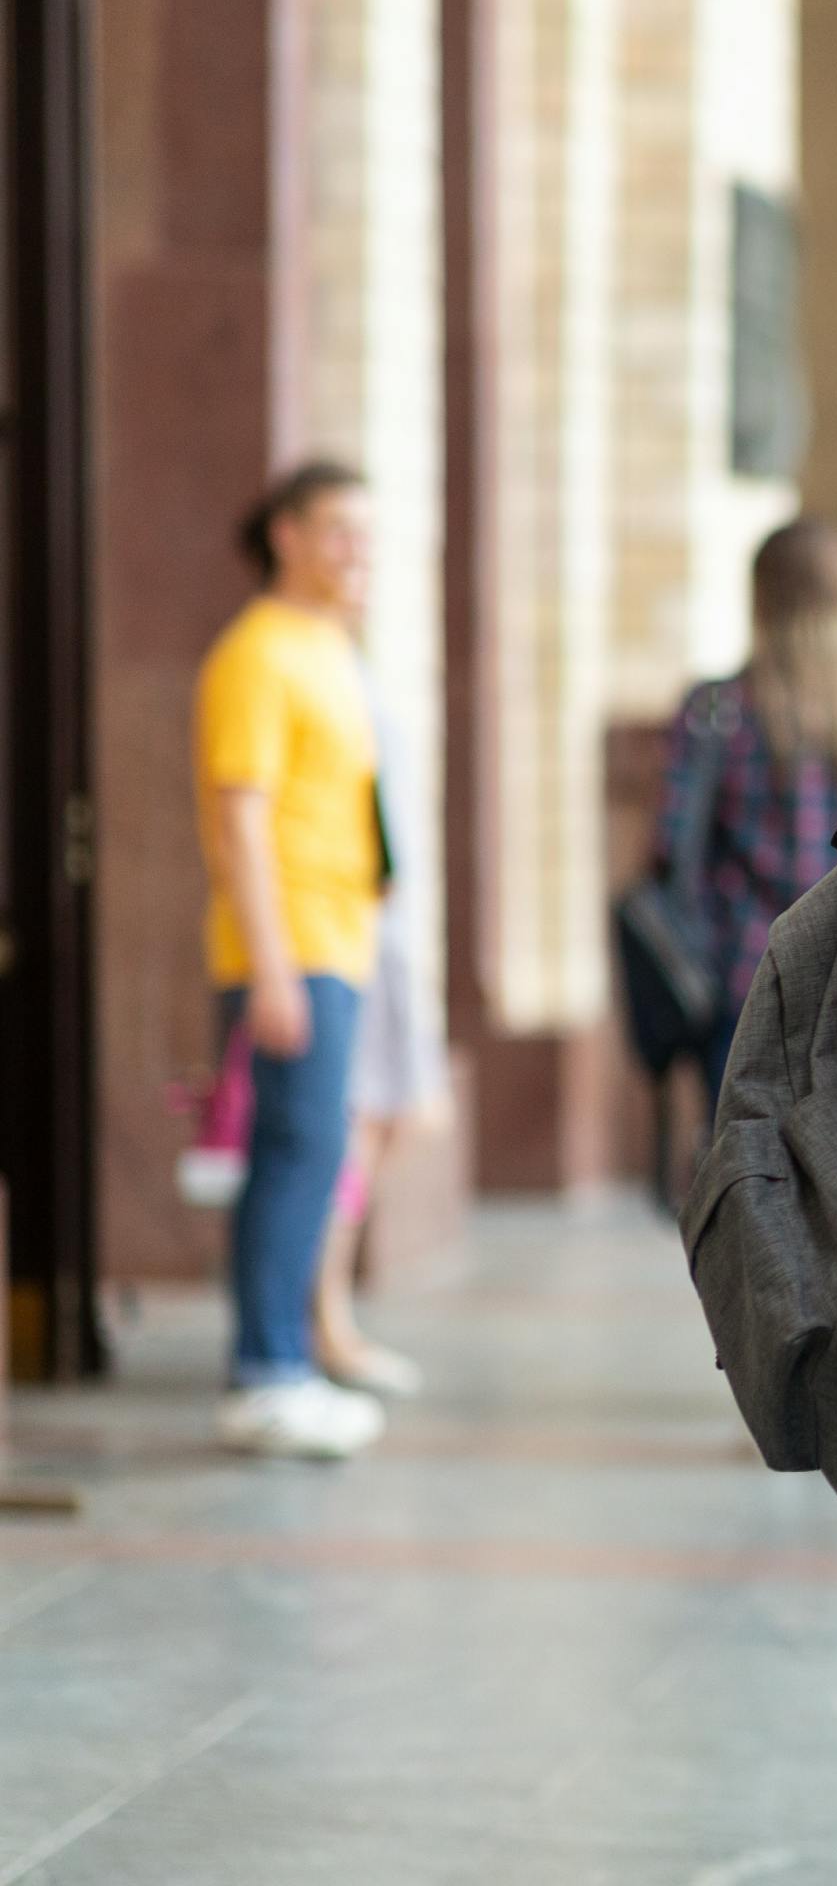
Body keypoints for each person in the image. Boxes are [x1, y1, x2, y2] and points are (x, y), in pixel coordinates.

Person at [194, 460, 390, 1459]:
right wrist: (270, 966)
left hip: (335, 943)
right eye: (337, 530)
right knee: (292, 1157)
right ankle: (267, 1371)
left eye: (367, 531)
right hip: (290, 948)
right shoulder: (258, 654)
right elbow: (240, 816)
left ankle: (284, 1364)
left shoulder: (326, 647)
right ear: (286, 535)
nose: (358, 550)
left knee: (310, 1157)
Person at [650, 517, 837, 1110]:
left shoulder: (715, 710)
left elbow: (671, 852)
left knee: (745, 1175)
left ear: (759, 599)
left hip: (741, 984)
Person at [312, 557, 448, 1399]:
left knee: (380, 1123)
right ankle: (323, 1316)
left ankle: (325, 1311)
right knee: (347, 1129)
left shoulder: (350, 669)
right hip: (345, 928)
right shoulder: (311, 673)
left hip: (382, 927)